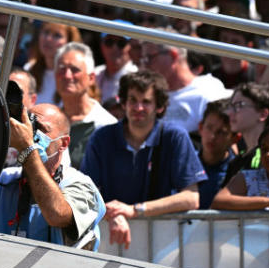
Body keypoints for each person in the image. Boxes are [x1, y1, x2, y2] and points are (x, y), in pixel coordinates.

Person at [82, 70, 207, 249]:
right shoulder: (101, 138)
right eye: (132, 100)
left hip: (165, 245)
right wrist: (114, 213)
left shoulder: (175, 136)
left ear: (160, 107)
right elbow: (86, 193)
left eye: (146, 102)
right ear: (123, 103)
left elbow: (191, 198)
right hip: (111, 242)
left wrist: (135, 210)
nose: (138, 108)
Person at [0, 103, 105, 248]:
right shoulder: (4, 180)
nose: (31, 134)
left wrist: (28, 149)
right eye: (28, 126)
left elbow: (56, 215)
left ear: (63, 143)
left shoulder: (81, 185)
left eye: (39, 128)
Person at [141, 37, 229, 136]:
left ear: (173, 56)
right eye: (143, 59)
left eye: (150, 58)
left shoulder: (208, 91)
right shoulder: (148, 95)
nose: (145, 65)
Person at [54, 42, 117, 168]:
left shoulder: (106, 125)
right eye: (61, 69)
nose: (67, 76)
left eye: (75, 69)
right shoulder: (48, 120)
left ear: (91, 78)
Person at [223, 82, 269, 183]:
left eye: (239, 105)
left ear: (263, 114)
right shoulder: (237, 162)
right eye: (231, 106)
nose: (229, 113)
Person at [24, 22, 82, 105]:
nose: (48, 39)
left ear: (69, 43)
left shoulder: (77, 76)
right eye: (46, 32)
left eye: (57, 35)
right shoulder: (29, 69)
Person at [196, 100, 239, 209]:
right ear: (200, 128)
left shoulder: (238, 171)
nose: (212, 137)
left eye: (221, 132)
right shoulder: (185, 165)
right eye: (209, 128)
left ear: (235, 138)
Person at [94, 21, 138, 113]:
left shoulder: (137, 77)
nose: (114, 48)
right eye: (109, 42)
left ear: (132, 47)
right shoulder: (94, 74)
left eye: (121, 43)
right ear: (102, 46)